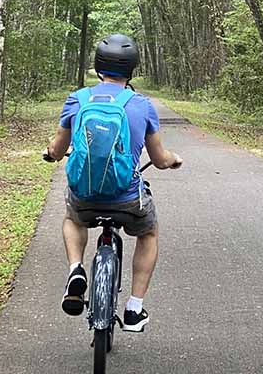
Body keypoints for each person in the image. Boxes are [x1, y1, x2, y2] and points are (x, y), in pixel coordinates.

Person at [46, 34, 182, 331]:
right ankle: (134, 308)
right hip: (127, 199)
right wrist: (172, 159)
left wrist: (50, 153)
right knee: (149, 233)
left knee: (72, 217)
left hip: (86, 196)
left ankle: (75, 269)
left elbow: (57, 150)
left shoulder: (77, 100)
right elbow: (159, 158)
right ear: (132, 69)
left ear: (98, 66)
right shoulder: (141, 105)